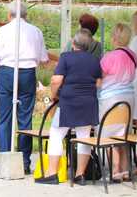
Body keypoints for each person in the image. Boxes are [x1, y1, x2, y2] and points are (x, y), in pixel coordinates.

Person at [36, 29, 102, 185]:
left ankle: (52, 173)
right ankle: (80, 175)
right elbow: (99, 83)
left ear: (73, 44)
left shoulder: (66, 58)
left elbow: (56, 80)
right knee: (84, 137)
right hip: (88, 103)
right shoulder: (95, 60)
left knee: (57, 134)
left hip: (68, 102)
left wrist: (53, 95)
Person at [0, 0, 48, 175]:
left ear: (9, 15)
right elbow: (44, 59)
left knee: (5, 118)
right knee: (25, 118)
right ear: (26, 15)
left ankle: (5, 160)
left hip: (7, 72)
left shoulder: (3, 30)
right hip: (27, 73)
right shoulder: (35, 31)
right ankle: (24, 161)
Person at [98, 23, 137, 182]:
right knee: (123, 135)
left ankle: (115, 170)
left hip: (111, 98)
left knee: (110, 135)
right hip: (129, 96)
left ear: (114, 37)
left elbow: (99, 77)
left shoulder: (109, 56)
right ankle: (126, 170)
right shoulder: (133, 55)